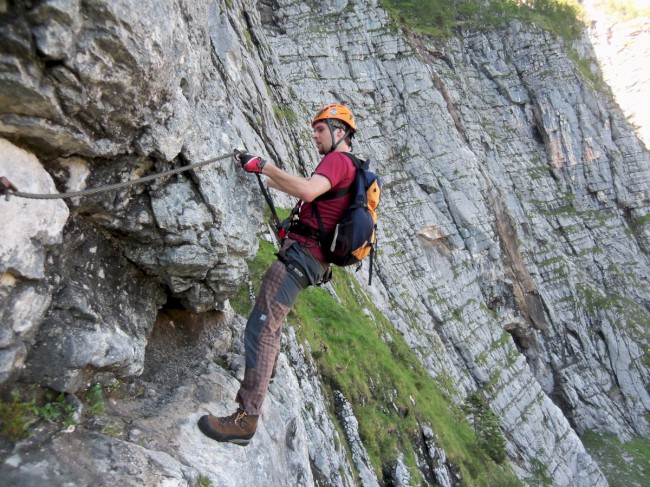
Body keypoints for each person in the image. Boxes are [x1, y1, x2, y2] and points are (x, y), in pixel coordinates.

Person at [198, 103, 359, 446]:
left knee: (262, 327)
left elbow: (306, 191)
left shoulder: (338, 160)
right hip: (310, 260)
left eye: (320, 129)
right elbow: (309, 192)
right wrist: (262, 174)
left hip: (300, 259)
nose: (314, 135)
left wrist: (265, 165)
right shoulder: (350, 168)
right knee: (270, 325)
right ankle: (259, 386)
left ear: (340, 132)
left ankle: (245, 418)